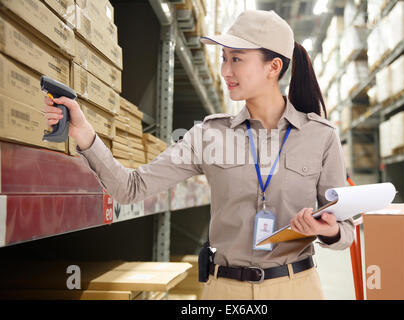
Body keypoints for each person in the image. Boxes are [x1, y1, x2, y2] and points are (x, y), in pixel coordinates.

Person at [43, 9, 354, 300]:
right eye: (223, 58)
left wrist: (328, 231)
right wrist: (84, 134)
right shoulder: (209, 135)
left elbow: (345, 230)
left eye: (237, 59)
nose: (225, 70)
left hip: (296, 288)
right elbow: (130, 188)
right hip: (225, 291)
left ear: (273, 67)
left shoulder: (320, 136)